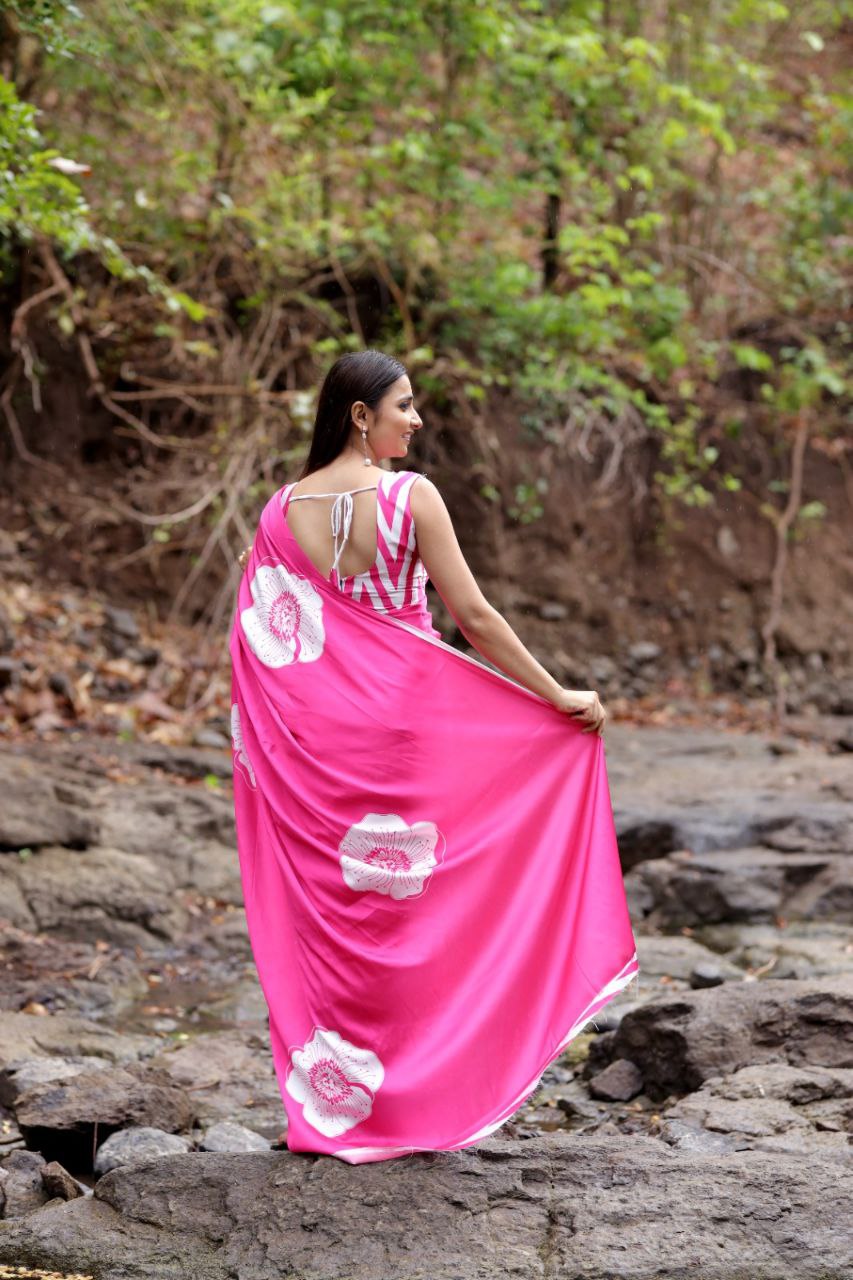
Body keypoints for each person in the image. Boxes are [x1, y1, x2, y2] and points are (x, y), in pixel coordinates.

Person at [229, 349, 638, 1164]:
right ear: (360, 415)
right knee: (414, 903)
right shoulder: (408, 497)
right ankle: (418, 1095)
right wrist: (554, 694)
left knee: (341, 915)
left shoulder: (280, 512)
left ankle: (342, 1104)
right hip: (408, 732)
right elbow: (473, 619)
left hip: (323, 749)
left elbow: (262, 636)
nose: (415, 421)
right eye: (404, 406)